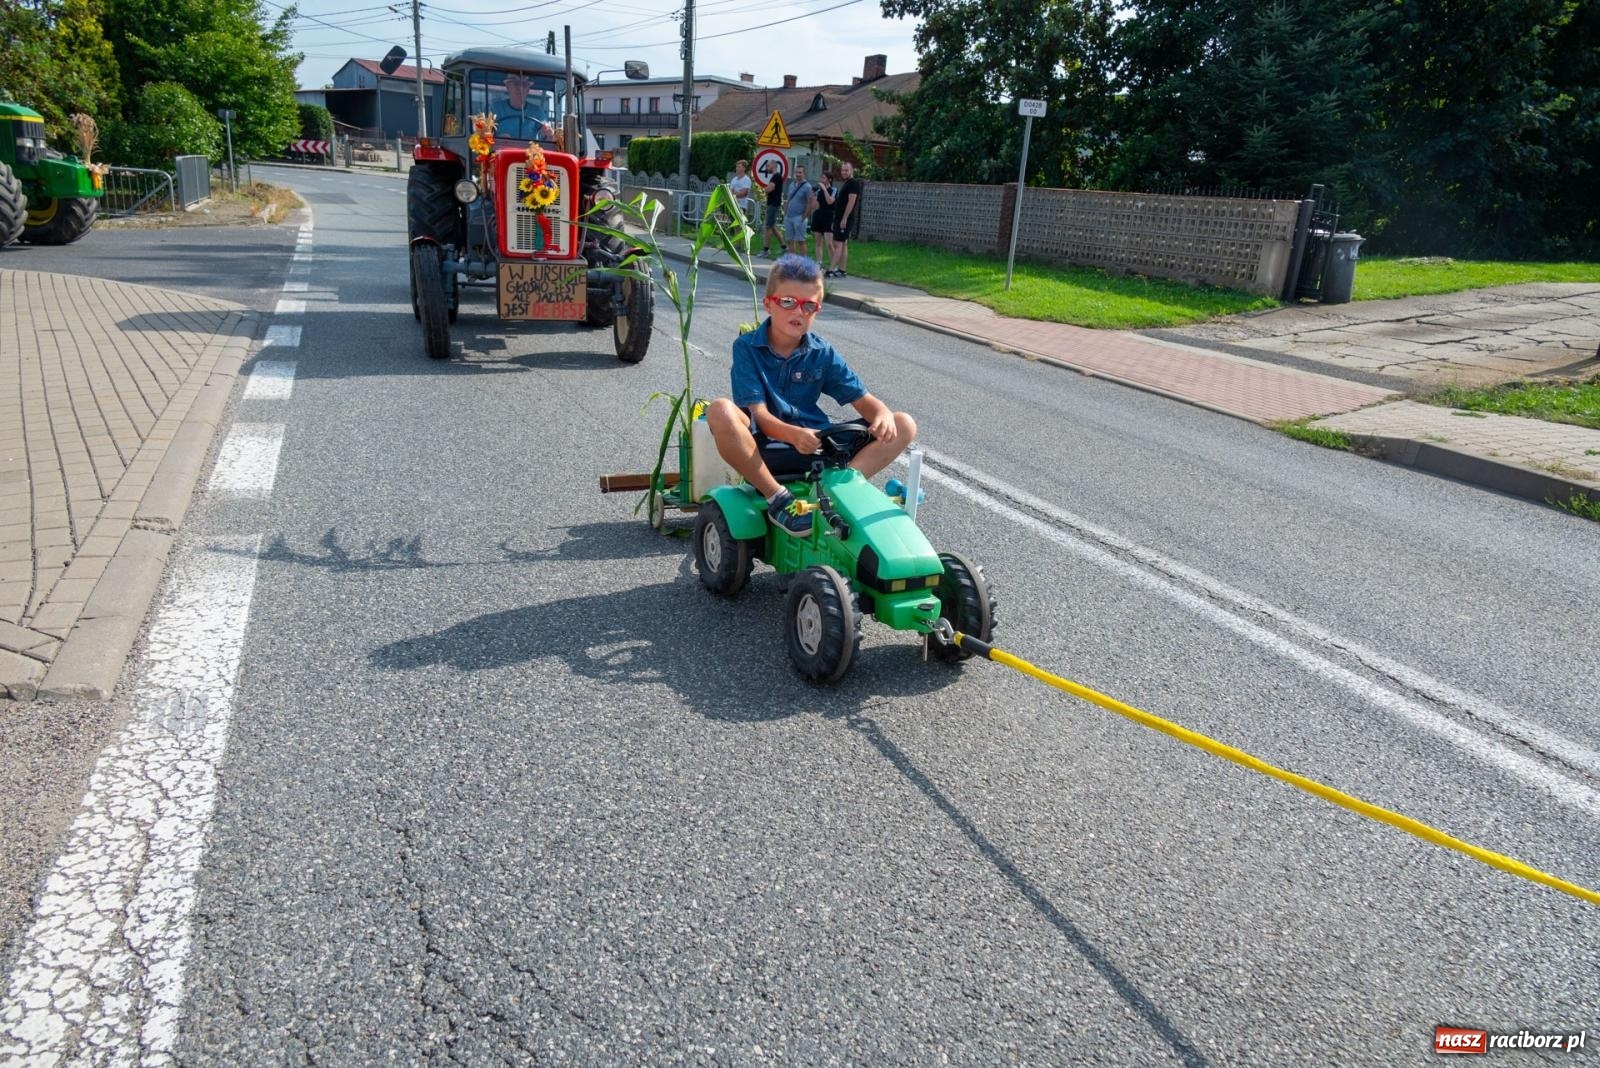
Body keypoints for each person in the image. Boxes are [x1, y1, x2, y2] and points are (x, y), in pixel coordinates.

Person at [703, 254, 916, 536]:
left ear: (817, 310)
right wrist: (794, 435)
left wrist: (882, 416)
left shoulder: (822, 352)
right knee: (720, 410)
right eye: (788, 302)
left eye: (809, 306)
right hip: (768, 448)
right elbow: (762, 417)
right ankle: (777, 497)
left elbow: (864, 400)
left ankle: (839, 490)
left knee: (904, 424)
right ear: (769, 304)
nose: (798, 312)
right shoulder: (747, 348)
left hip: (817, 444)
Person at [827, 161, 864, 278]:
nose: (844, 172)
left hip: (845, 218)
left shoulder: (853, 184)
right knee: (843, 244)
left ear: (852, 171)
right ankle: (842, 270)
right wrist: (836, 220)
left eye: (846, 170)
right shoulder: (847, 183)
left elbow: (851, 202)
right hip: (839, 218)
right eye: (842, 170)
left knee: (838, 244)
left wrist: (844, 219)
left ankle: (831, 270)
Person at [493, 74, 554, 141]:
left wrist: (548, 131)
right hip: (500, 149)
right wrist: (498, 137)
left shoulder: (537, 111)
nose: (521, 88)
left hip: (530, 150)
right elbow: (486, 133)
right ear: (508, 86)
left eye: (524, 85)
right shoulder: (495, 108)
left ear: (528, 89)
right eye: (516, 84)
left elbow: (546, 130)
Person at [755, 161, 785, 257]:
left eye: (768, 165)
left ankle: (766, 250)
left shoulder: (776, 176)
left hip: (773, 204)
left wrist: (763, 190)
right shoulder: (775, 177)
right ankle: (784, 246)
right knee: (772, 226)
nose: (767, 167)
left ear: (773, 166)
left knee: (768, 227)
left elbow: (770, 188)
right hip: (772, 203)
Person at [783, 165, 814, 255]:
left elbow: (809, 203)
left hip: (799, 217)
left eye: (800, 172)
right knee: (789, 240)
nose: (798, 174)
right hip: (789, 216)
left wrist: (804, 216)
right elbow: (788, 199)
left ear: (804, 174)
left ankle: (803, 263)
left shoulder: (807, 187)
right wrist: (785, 213)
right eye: (796, 172)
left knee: (801, 241)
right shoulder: (792, 184)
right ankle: (792, 262)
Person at [810, 172, 836, 264]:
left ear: (829, 180)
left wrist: (824, 189)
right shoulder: (819, 191)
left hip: (828, 217)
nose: (821, 180)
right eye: (821, 178)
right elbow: (815, 206)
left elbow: (830, 201)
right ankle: (818, 262)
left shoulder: (834, 190)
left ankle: (833, 265)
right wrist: (813, 195)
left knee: (829, 243)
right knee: (818, 242)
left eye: (824, 178)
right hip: (818, 216)